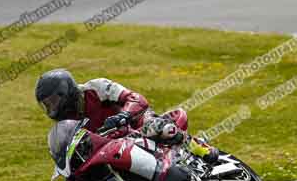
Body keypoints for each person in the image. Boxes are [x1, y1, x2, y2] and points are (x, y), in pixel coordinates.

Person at [35, 69, 218, 163]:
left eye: (52, 102)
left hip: (135, 126)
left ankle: (199, 147)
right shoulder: (67, 122)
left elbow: (135, 98)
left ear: (65, 92)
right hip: (111, 147)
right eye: (46, 105)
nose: (52, 108)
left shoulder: (96, 88)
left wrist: (123, 115)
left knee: (156, 127)